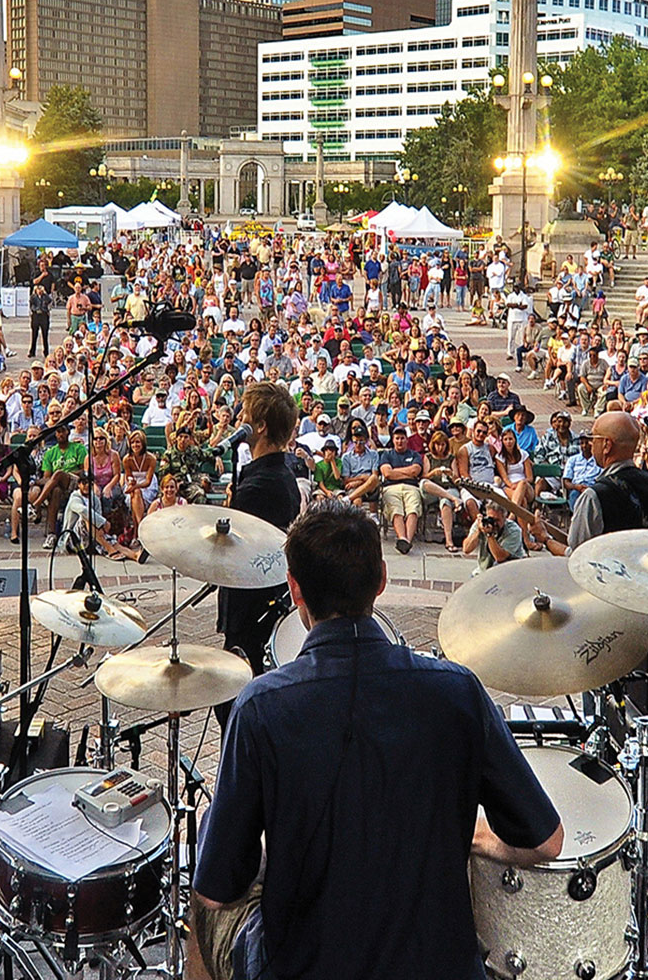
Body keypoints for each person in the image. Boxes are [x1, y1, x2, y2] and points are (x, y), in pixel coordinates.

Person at [191, 498, 562, 980]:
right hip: (439, 969)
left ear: (295, 590)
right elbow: (547, 841)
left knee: (202, 872)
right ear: (382, 579)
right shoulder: (458, 692)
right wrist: (475, 838)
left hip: (304, 967)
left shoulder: (262, 707)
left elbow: (218, 891)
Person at [215, 382, 302, 676]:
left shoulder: (261, 486)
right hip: (262, 606)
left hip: (251, 611)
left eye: (244, 416)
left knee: (237, 696)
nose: (239, 421)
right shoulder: (279, 475)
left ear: (261, 427)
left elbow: (237, 552)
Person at [565, 409, 648, 547]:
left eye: (593, 439)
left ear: (606, 445)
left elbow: (577, 553)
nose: (591, 444)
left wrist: (547, 540)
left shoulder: (593, 497)